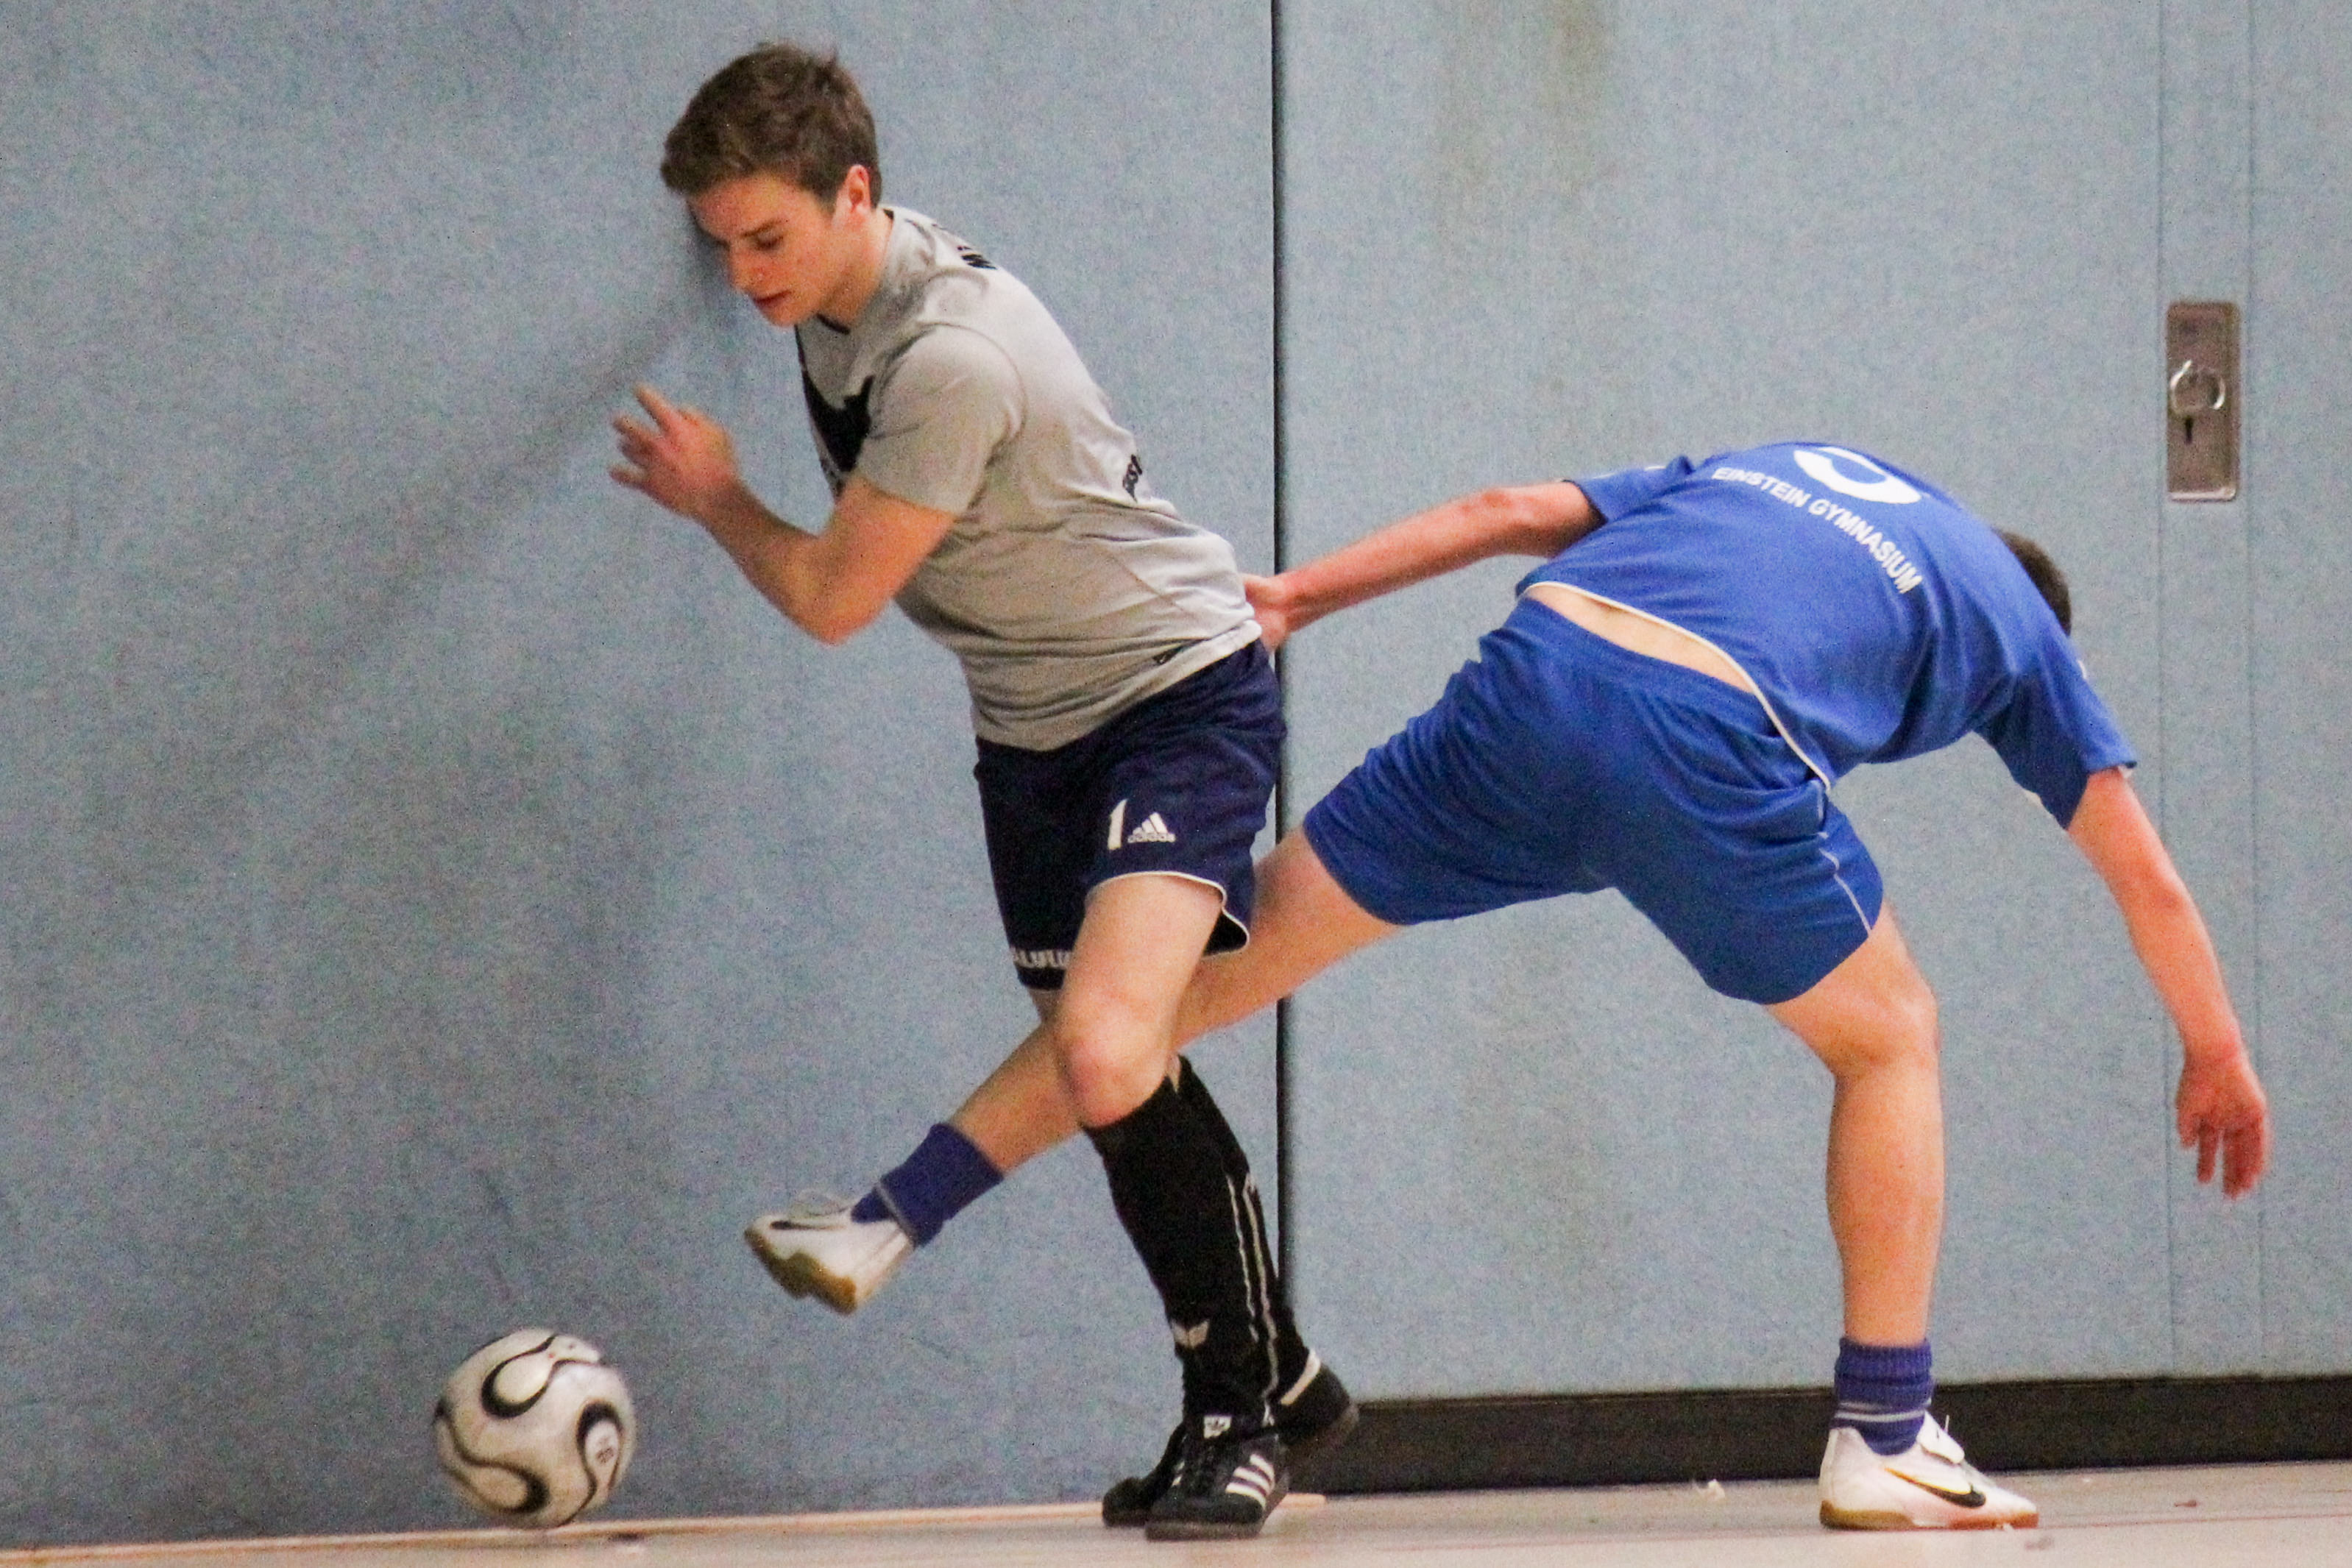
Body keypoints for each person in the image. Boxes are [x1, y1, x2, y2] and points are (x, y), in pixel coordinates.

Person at [1151, 441, 2273, 1530]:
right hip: (1704, 736)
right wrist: (2217, 1051)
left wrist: (1294, 595)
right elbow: (2150, 883)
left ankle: (1027, 1110)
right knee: (1889, 1038)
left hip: (1529, 684)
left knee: (1155, 1007)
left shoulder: (1787, 468)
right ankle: (1887, 1437)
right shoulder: (2019, 630)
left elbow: (1504, 512)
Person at [609, 43, 1349, 1540]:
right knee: (1114, 1072)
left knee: (1106, 1047)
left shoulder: (949, 361)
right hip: (1028, 737)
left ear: (855, 194)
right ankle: (1283, 1376)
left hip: (1171, 700)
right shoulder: (837, 296)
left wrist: (717, 498)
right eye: (721, 245)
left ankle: (1239, 1417)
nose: (743, 276)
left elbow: (831, 599)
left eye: (767, 237)